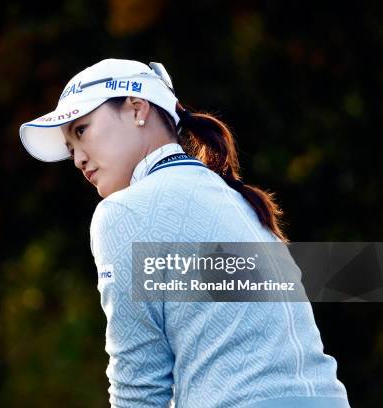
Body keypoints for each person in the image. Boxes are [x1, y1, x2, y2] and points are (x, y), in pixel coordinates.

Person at [19, 58, 351, 407]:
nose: (78, 159)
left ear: (137, 108)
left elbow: (139, 387)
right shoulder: (236, 198)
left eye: (82, 130)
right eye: (71, 148)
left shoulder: (122, 212)